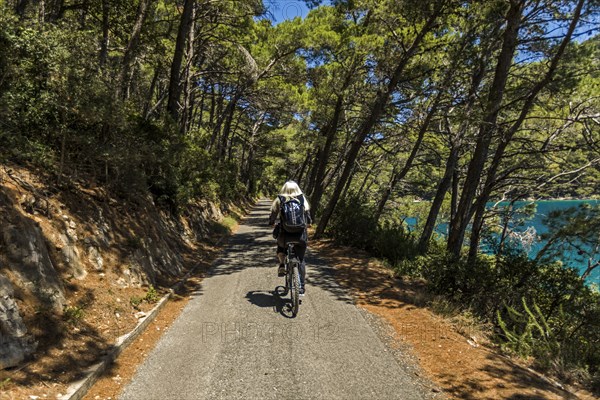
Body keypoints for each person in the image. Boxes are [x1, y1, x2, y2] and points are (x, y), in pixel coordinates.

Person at [268, 181, 312, 295]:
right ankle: (301, 289)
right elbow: (308, 219)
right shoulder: (302, 199)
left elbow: (272, 216)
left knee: (281, 248)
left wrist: (272, 222)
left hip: (285, 235)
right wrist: (308, 224)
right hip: (300, 236)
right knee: (301, 259)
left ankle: (282, 264)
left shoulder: (280, 199)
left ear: (284, 189)